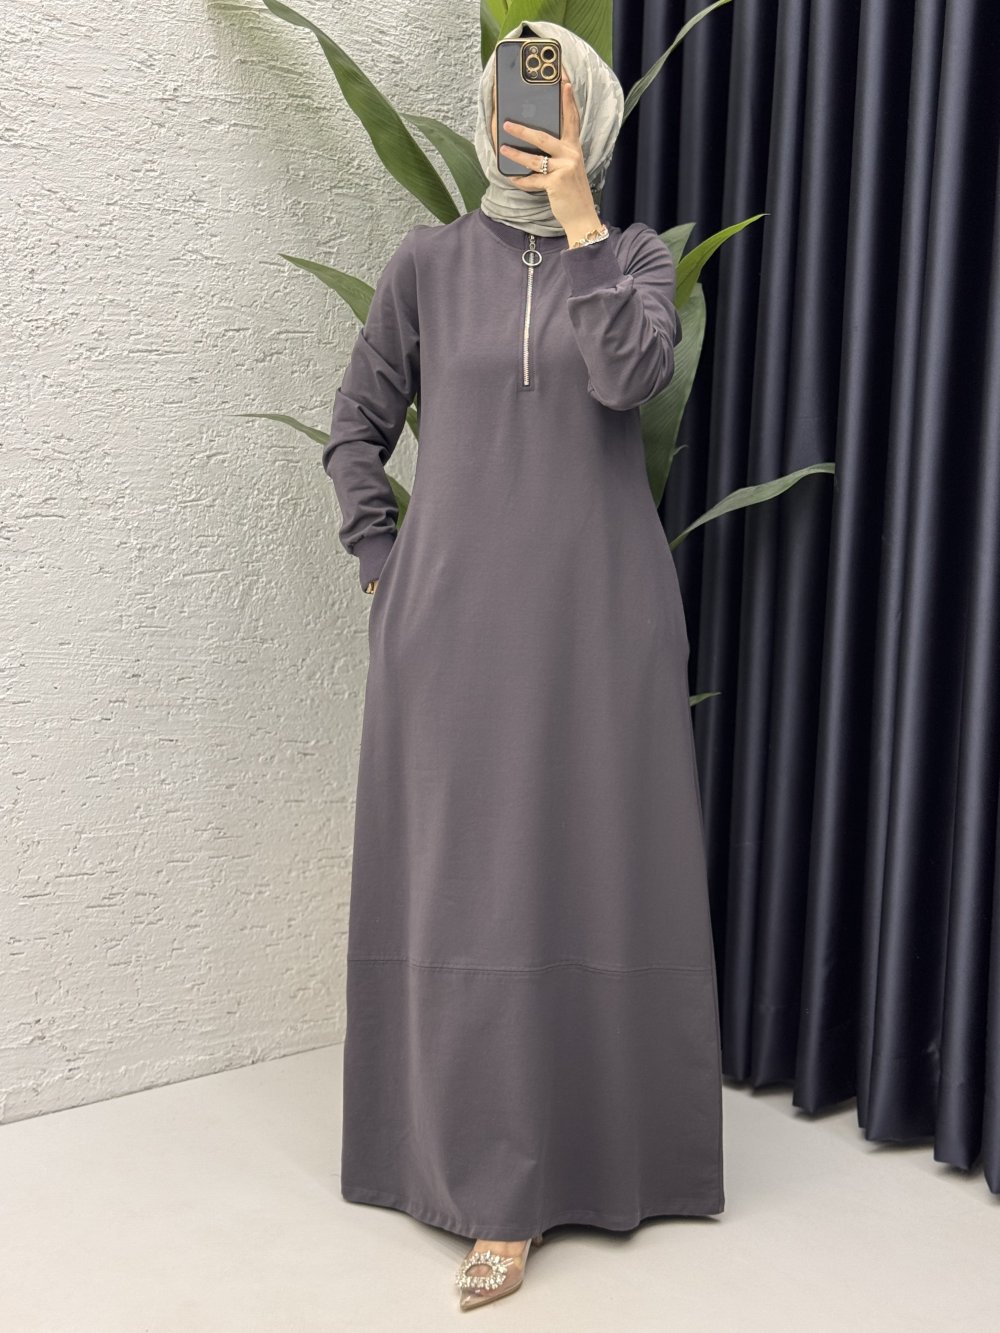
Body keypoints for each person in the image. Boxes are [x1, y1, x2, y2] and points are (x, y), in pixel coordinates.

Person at [324, 19, 724, 1313]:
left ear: (588, 114)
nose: (521, 119)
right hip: (453, 635)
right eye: (506, 97)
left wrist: (585, 225)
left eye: (545, 99)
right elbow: (356, 424)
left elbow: (628, 376)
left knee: (594, 875)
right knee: (472, 894)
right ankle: (487, 1182)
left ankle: (612, 1160)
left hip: (602, 630)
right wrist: (381, 561)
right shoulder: (430, 264)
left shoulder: (637, 258)